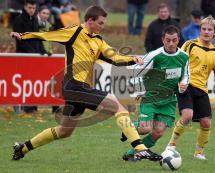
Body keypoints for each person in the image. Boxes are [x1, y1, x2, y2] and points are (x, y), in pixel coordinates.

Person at [10, 5, 162, 162]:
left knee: (64, 131)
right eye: (101, 23)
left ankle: (23, 148)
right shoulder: (75, 32)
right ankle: (140, 148)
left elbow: (115, 58)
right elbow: (47, 35)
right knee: (118, 105)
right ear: (90, 20)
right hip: (74, 85)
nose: (103, 26)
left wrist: (132, 59)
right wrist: (23, 35)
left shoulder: (98, 41)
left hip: (81, 89)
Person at [121, 25, 190, 161]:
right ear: (162, 39)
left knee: (158, 132)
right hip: (151, 98)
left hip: (169, 100)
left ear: (178, 40)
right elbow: (135, 71)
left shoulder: (184, 56)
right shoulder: (154, 55)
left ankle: (132, 153)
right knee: (144, 129)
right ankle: (128, 128)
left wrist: (184, 84)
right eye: (168, 40)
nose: (171, 43)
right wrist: (140, 90)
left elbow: (186, 75)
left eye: (174, 40)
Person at [166, 16, 215, 160]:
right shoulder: (190, 44)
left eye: (209, 30)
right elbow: (178, 60)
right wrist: (176, 81)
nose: (206, 32)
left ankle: (199, 153)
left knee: (206, 122)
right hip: (186, 85)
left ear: (214, 33)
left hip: (201, 89)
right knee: (187, 115)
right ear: (200, 30)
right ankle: (171, 145)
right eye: (204, 29)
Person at [13, 0, 46, 113]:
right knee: (22, 82)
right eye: (29, 8)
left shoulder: (35, 20)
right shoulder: (18, 20)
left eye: (33, 8)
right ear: (25, 7)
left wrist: (43, 51)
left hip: (34, 57)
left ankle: (32, 106)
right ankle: (20, 107)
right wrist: (33, 52)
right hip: (23, 57)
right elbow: (20, 40)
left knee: (33, 81)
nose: (31, 10)